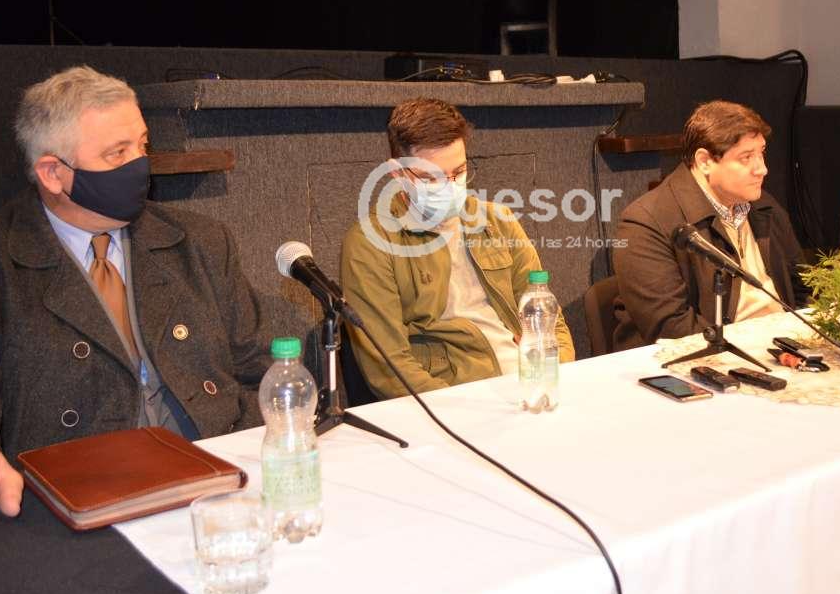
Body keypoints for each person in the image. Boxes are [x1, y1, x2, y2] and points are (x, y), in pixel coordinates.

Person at [0, 66, 272, 528]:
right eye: (117, 153)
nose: (141, 165)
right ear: (53, 173)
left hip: (219, 487)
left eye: (142, 145)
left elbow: (259, 369)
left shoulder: (201, 241)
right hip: (81, 507)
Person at [341, 98, 574, 398]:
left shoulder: (498, 221)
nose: (449, 187)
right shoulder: (370, 244)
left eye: (459, 172)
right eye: (431, 177)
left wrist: (555, 374)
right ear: (398, 174)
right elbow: (390, 368)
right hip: (457, 397)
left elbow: (550, 321)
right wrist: (459, 410)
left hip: (531, 385)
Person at [612, 100, 804, 353]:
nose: (762, 169)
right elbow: (672, 328)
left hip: (782, 346)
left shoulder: (764, 206)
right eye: (746, 157)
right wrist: (756, 350)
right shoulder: (645, 223)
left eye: (762, 153)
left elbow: (803, 288)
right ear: (704, 161)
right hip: (711, 358)